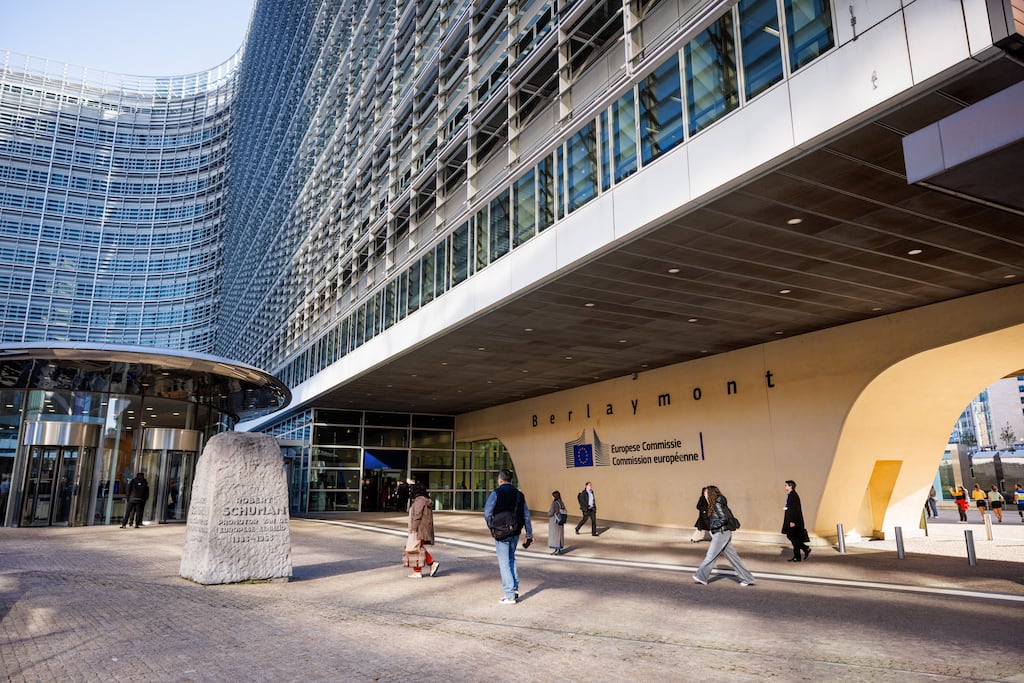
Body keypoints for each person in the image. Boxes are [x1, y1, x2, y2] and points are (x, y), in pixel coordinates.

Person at [483, 469, 533, 604]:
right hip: (515, 531)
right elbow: (527, 515)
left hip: (501, 533)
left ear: (500, 480)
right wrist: (529, 534)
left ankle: (509, 594)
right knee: (511, 558)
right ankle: (515, 589)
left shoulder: (496, 492)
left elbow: (487, 512)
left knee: (504, 562)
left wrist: (492, 526)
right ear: (511, 481)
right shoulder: (519, 495)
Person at [692, 485, 755, 586]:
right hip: (723, 533)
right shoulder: (715, 503)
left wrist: (714, 527)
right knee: (734, 558)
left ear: (711, 493)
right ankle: (748, 578)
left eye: (706, 492)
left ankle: (701, 576)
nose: (704, 493)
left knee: (711, 555)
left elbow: (723, 518)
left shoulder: (717, 504)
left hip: (721, 533)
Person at [403, 483, 438, 577]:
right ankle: (430, 563)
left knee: (416, 549)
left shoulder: (419, 501)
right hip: (423, 528)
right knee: (419, 548)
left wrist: (413, 529)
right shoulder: (424, 500)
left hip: (419, 529)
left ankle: (418, 570)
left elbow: (417, 515)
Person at [782, 480, 811, 562]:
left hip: (794, 521)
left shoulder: (793, 495)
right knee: (793, 538)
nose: (785, 487)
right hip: (792, 520)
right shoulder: (791, 495)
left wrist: (792, 521)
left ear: (790, 486)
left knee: (792, 537)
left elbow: (795, 509)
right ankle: (798, 555)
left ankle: (804, 549)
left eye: (786, 485)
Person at [548, 490, 567, 555]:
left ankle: (557, 549)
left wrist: (548, 514)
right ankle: (558, 549)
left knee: (555, 535)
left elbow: (551, 513)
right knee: (560, 535)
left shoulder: (554, 503)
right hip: (561, 520)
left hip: (555, 521)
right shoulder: (561, 502)